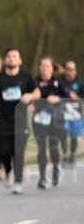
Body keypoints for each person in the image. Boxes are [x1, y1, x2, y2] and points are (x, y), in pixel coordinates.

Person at [0, 48, 38, 194]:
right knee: (3, 151)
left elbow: (37, 92)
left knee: (18, 151)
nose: (11, 58)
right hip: (3, 120)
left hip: (20, 120)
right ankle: (8, 170)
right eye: (9, 56)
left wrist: (30, 96)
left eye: (15, 56)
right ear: (5, 60)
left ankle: (18, 181)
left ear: (20, 60)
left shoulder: (26, 77)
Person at [32, 57, 68, 189]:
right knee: (41, 148)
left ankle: (56, 169)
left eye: (48, 66)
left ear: (52, 68)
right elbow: (28, 96)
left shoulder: (58, 81)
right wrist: (30, 104)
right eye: (43, 66)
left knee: (53, 146)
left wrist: (58, 99)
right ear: (39, 68)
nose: (45, 69)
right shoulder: (34, 82)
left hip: (55, 118)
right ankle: (42, 178)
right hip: (39, 119)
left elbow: (67, 98)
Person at [61, 59, 81, 167]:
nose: (70, 71)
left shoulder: (79, 83)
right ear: (65, 70)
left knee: (74, 136)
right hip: (63, 112)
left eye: (72, 69)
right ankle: (65, 154)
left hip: (75, 114)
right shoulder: (60, 81)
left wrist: (77, 98)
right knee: (63, 133)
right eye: (68, 69)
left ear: (75, 71)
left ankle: (72, 155)